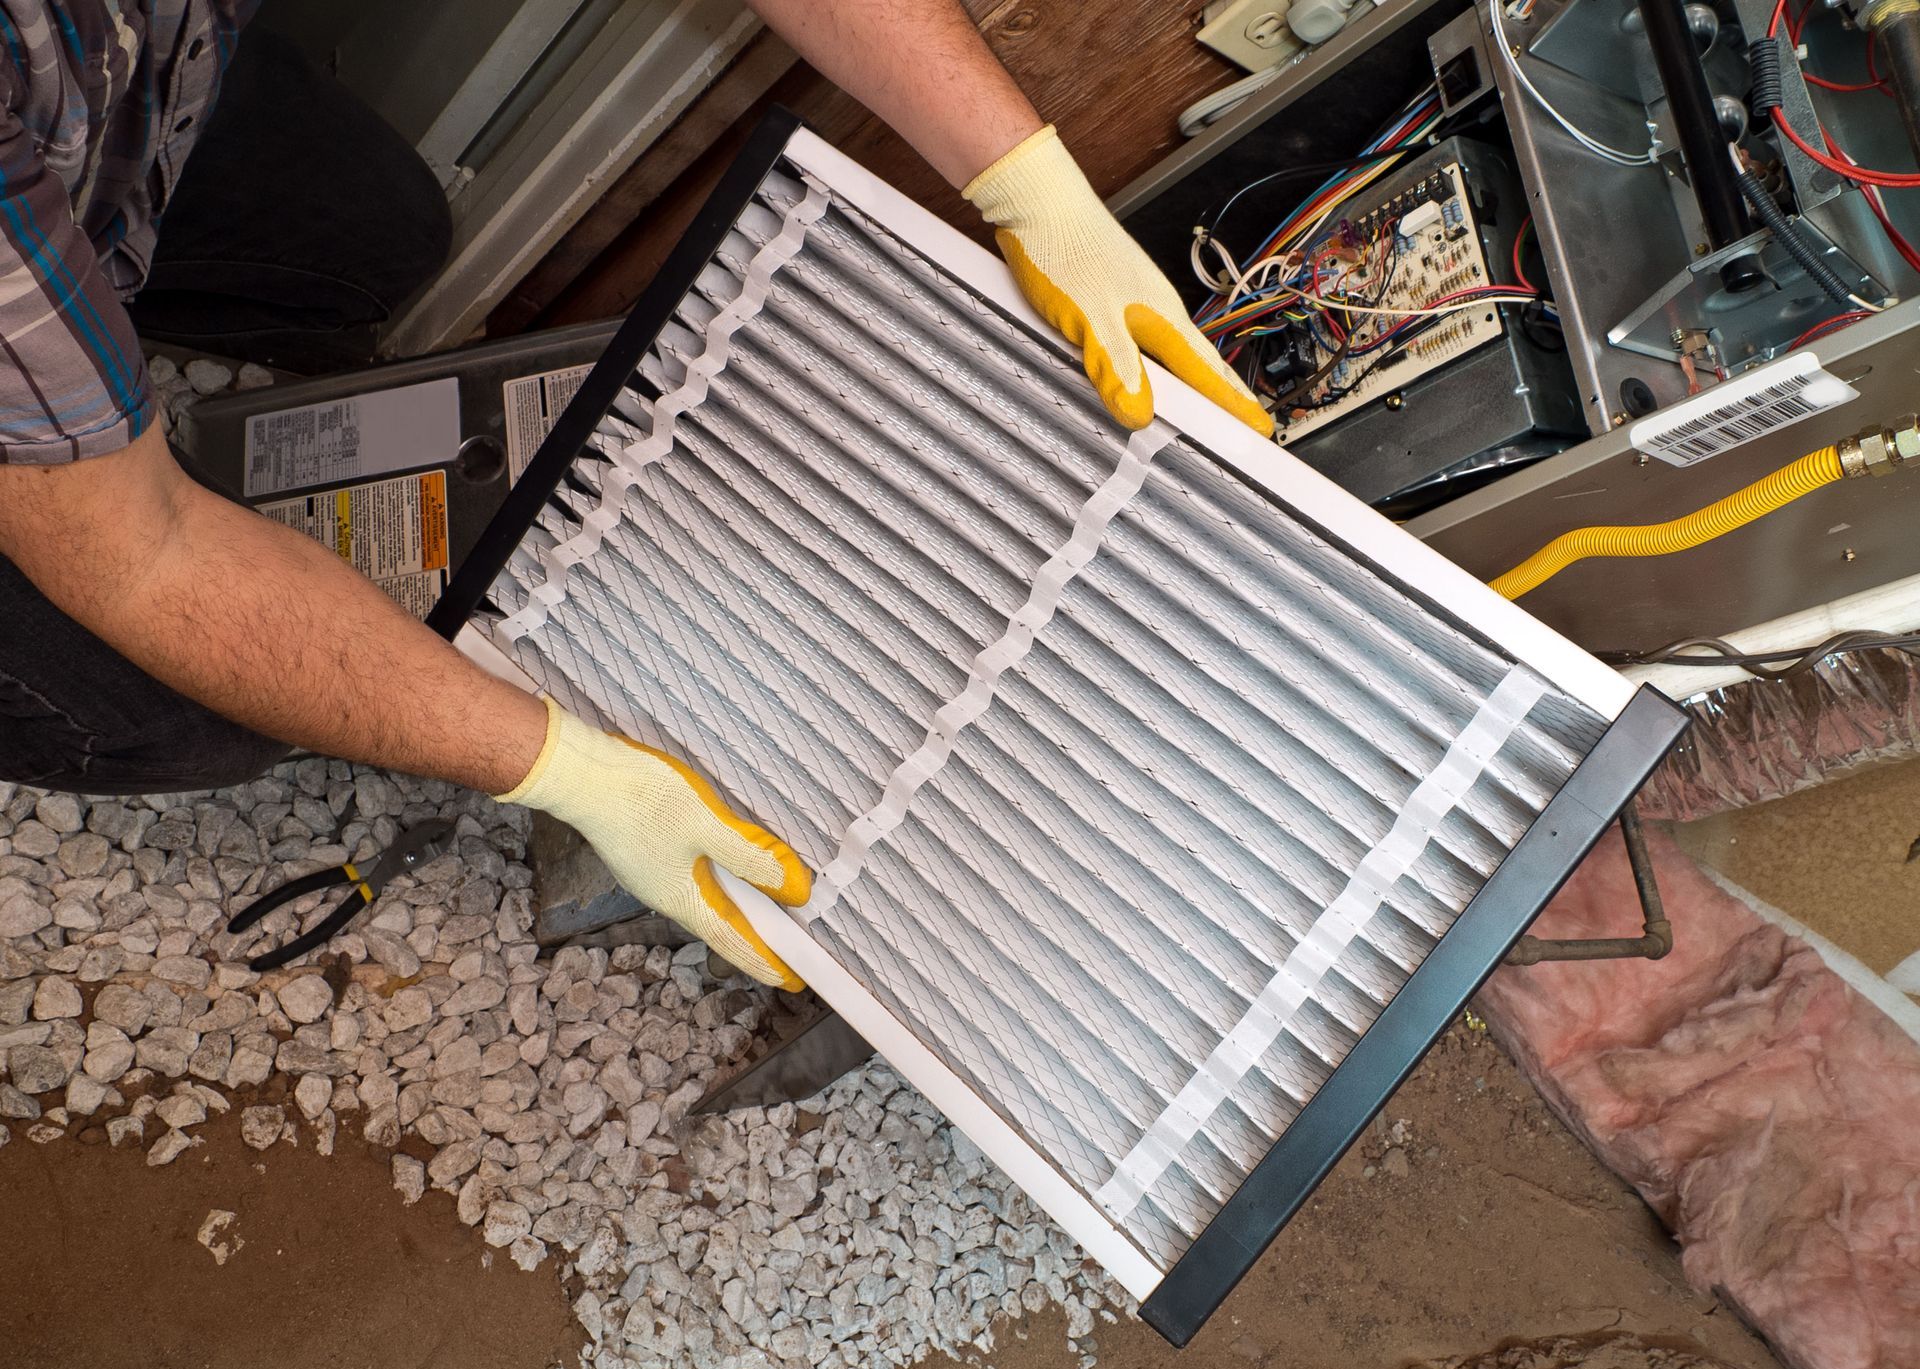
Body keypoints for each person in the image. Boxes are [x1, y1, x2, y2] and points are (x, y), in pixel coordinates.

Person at [0, 0, 1270, 989]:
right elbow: (144, 561)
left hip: (108, 102)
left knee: (377, 243)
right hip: (29, 183)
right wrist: (573, 773)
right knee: (197, 714)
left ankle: (83, 364)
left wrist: (1030, 189)